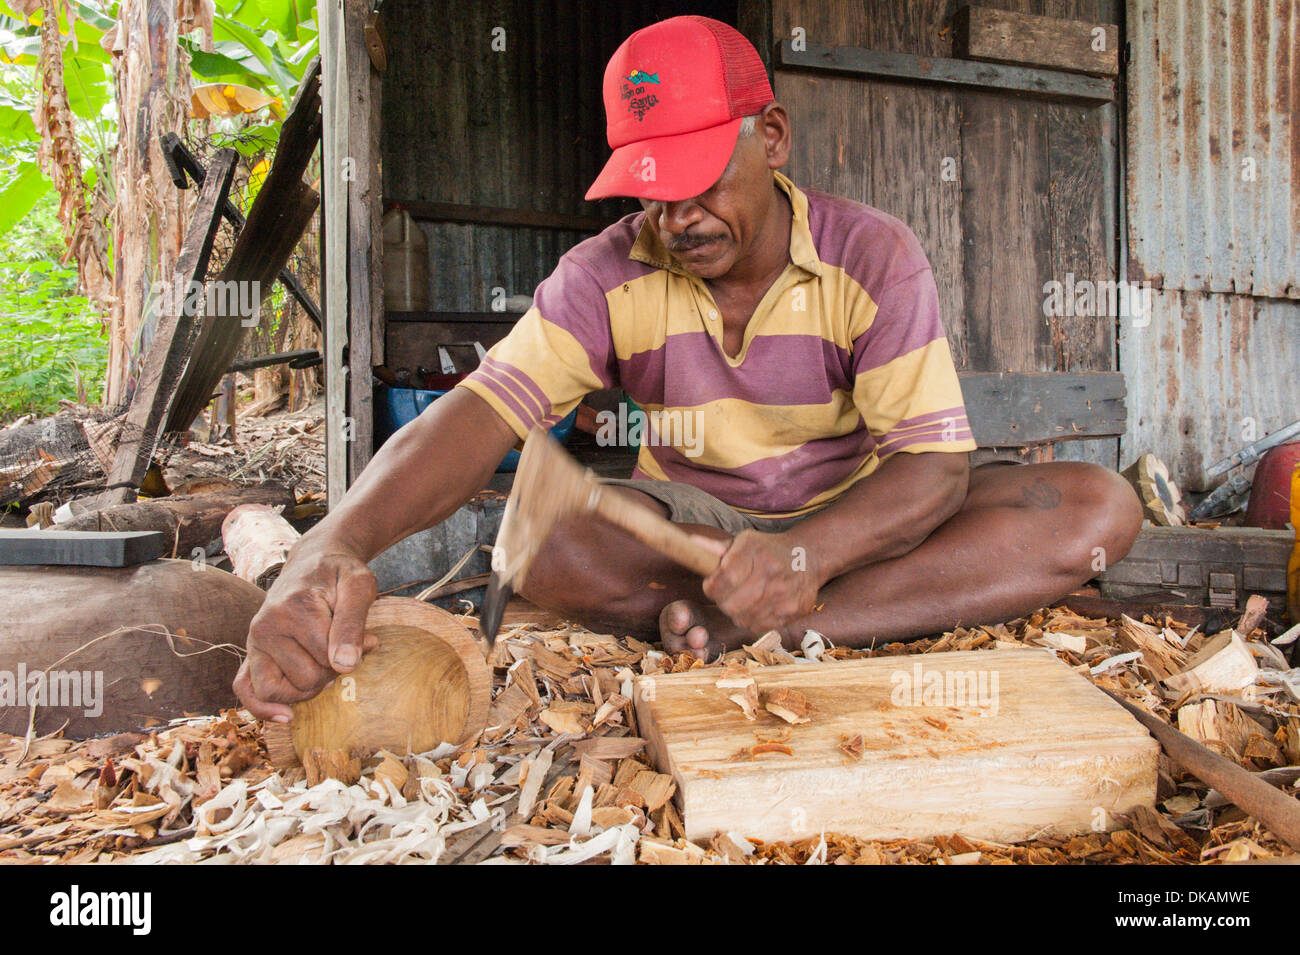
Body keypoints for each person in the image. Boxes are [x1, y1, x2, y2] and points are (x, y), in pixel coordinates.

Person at [234, 16, 1141, 722]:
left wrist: (804, 556)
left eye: (703, 178)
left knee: (1096, 508)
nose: (679, 217)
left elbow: (935, 468)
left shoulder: (875, 254)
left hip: (854, 520)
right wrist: (328, 546)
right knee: (539, 539)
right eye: (652, 189)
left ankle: (774, 618)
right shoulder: (603, 273)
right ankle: (790, 611)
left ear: (773, 136)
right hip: (693, 529)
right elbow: (477, 415)